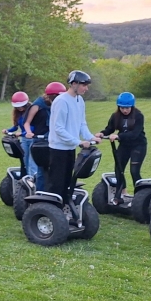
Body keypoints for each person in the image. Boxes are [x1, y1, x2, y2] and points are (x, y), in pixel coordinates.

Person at [47, 71, 99, 224]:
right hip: (58, 148)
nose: (86, 88)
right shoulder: (61, 101)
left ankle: (63, 212)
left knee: (67, 182)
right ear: (74, 84)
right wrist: (78, 142)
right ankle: (52, 215)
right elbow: (58, 128)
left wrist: (90, 137)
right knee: (57, 183)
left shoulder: (79, 101)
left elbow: (82, 124)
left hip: (70, 148)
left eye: (87, 85)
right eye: (84, 85)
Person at [95, 92, 146, 204]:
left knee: (134, 171)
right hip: (124, 145)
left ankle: (139, 198)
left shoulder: (138, 116)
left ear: (132, 106)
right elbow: (110, 128)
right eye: (122, 108)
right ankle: (121, 194)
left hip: (138, 145)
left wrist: (119, 136)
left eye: (127, 108)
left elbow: (135, 134)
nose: (125, 110)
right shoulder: (116, 116)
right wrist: (102, 133)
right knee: (119, 169)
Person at [23, 82, 65, 187]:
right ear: (51, 95)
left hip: (55, 139)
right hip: (40, 140)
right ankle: (40, 193)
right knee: (41, 169)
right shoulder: (38, 105)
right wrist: (29, 132)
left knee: (56, 168)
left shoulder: (60, 104)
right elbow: (27, 122)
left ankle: (54, 191)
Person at [3, 91, 32, 174]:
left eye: (21, 106)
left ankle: (33, 181)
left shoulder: (31, 112)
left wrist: (22, 133)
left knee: (32, 162)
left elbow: (33, 127)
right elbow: (16, 126)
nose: (19, 108)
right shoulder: (18, 114)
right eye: (17, 107)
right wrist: (7, 130)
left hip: (32, 139)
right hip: (24, 140)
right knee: (24, 160)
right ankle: (26, 178)